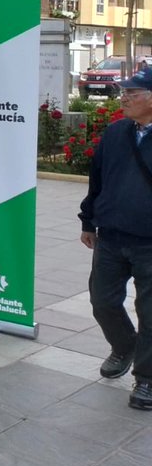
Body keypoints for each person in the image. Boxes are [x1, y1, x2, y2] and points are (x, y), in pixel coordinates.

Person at [79, 67, 152, 410]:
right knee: (102, 301)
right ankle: (124, 345)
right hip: (111, 236)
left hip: (149, 242)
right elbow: (97, 179)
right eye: (124, 92)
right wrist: (88, 220)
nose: (124, 98)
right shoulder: (116, 132)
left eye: (132, 93)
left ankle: (147, 378)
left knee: (149, 312)